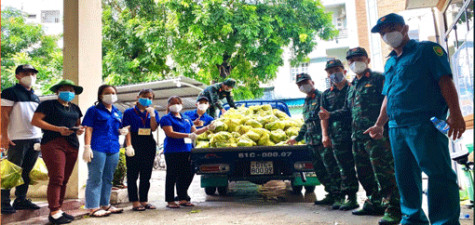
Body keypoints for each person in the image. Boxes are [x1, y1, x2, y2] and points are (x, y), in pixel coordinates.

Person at [365, 13, 465, 225]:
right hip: (397, 128)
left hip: (424, 124)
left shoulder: (427, 50)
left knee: (438, 175)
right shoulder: (390, 62)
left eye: (391, 28)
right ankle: (412, 218)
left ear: (405, 28)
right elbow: (388, 96)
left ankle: (444, 221)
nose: (386, 34)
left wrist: (456, 114)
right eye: (382, 32)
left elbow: (445, 81)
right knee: (405, 177)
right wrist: (380, 123)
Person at [321, 51, 402, 225]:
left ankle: (394, 209)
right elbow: (347, 111)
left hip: (377, 135)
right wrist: (329, 115)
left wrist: (381, 124)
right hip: (357, 138)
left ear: (368, 60)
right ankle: (374, 202)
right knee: (365, 174)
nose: (355, 63)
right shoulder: (353, 86)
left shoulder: (379, 78)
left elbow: (391, 101)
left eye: (359, 59)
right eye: (351, 60)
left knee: (385, 173)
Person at [31, 79, 85, 224]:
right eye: (65, 89)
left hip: (72, 144)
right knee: (57, 177)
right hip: (53, 143)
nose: (69, 92)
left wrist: (79, 130)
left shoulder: (75, 108)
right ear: (57, 91)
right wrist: (58, 129)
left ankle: (59, 209)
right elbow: (36, 121)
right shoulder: (48, 105)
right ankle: (54, 210)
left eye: (72, 90)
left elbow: (78, 124)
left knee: (65, 179)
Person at [286, 73, 342, 207]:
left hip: (323, 141)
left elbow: (328, 117)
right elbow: (307, 123)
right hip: (311, 142)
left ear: (312, 82)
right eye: (300, 84)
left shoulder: (322, 96)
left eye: (305, 82)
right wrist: (297, 138)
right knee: (320, 172)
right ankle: (330, 194)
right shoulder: (306, 101)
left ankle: (339, 196)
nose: (302, 85)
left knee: (332, 169)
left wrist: (327, 136)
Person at [159, 96, 214, 208]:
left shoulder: (186, 118)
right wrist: (188, 135)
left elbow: (196, 132)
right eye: (173, 103)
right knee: (172, 175)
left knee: (185, 174)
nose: (176, 105)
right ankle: (170, 200)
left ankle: (182, 198)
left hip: (186, 150)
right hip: (173, 150)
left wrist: (207, 127)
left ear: (182, 104)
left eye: (178, 103)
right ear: (169, 106)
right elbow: (170, 133)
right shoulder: (166, 118)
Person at [82, 84, 128, 217]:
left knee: (108, 178)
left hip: (113, 147)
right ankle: (93, 207)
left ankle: (105, 204)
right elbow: (88, 129)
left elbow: (116, 129)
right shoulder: (93, 110)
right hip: (97, 147)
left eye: (113, 92)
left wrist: (121, 131)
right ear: (100, 95)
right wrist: (87, 147)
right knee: (95, 177)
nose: (111, 95)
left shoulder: (117, 112)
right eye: (108, 93)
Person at [1, 65, 42, 214]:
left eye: (33, 73)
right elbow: (3, 115)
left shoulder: (35, 96)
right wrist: (4, 136)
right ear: (18, 76)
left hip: (35, 138)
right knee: (11, 171)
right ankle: (4, 202)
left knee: (26, 172)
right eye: (26, 73)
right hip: (17, 138)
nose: (30, 76)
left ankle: (21, 199)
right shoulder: (9, 92)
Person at [319, 59, 359, 211]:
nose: (334, 74)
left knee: (364, 168)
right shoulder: (326, 94)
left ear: (344, 71)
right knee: (344, 168)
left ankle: (374, 198)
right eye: (330, 72)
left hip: (356, 133)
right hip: (337, 137)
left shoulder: (353, 88)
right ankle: (349, 197)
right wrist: (325, 135)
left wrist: (330, 115)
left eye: (336, 70)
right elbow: (323, 117)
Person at [122, 89, 159, 211]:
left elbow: (153, 128)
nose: (147, 99)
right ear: (138, 97)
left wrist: (152, 115)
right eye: (145, 96)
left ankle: (144, 200)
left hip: (148, 141)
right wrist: (129, 145)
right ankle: (135, 201)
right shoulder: (129, 112)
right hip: (134, 140)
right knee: (132, 174)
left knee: (146, 174)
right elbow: (126, 129)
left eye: (150, 97)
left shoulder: (152, 112)